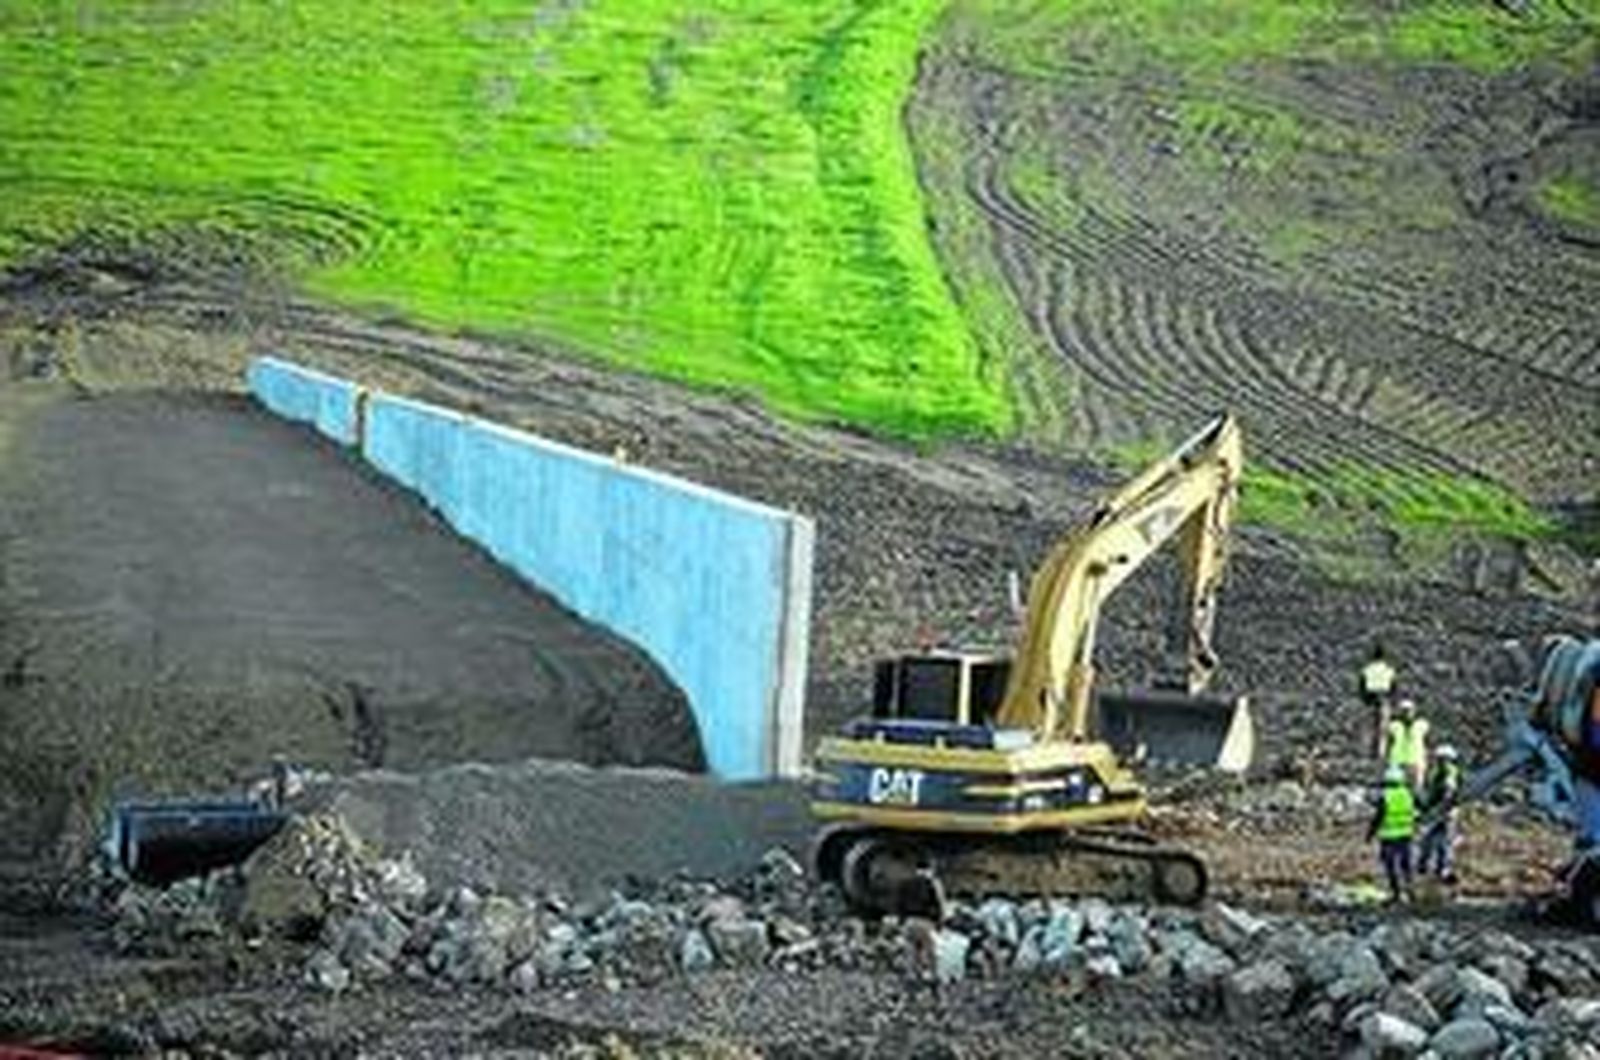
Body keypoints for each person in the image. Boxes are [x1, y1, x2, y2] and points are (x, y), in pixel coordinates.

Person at [1368, 764, 1417, 904]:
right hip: (1406, 834)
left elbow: (1378, 817)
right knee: (1405, 864)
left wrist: (1370, 834)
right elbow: (1418, 807)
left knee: (1391, 865)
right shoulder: (1408, 793)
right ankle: (1410, 890)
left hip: (1389, 836)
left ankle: (1396, 893)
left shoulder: (1386, 796)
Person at [1417, 744, 1462, 883]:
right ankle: (1425, 866)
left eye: (1440, 759)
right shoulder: (1439, 772)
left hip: (1445, 812)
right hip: (1440, 811)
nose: (1438, 761)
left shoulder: (1449, 773)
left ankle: (1442, 869)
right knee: (1430, 839)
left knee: (1443, 842)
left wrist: (1438, 811)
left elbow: (1448, 795)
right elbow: (1433, 794)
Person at [1360, 643, 1397, 759]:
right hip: (1384, 697)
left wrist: (1365, 699)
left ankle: (1369, 750)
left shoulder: (1367, 670)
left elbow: (1361, 686)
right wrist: (1392, 699)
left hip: (1370, 697)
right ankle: (1381, 751)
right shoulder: (1389, 670)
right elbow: (1394, 687)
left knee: (1370, 725)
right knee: (1383, 727)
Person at [1385, 698, 1430, 792]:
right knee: (1398, 789)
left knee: (1416, 789)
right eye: (1404, 711)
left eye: (1408, 711)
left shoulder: (1421, 725)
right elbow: (1389, 742)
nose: (1406, 713)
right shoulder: (1394, 725)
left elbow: (1427, 741)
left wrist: (1425, 761)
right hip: (1398, 762)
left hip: (1416, 761)